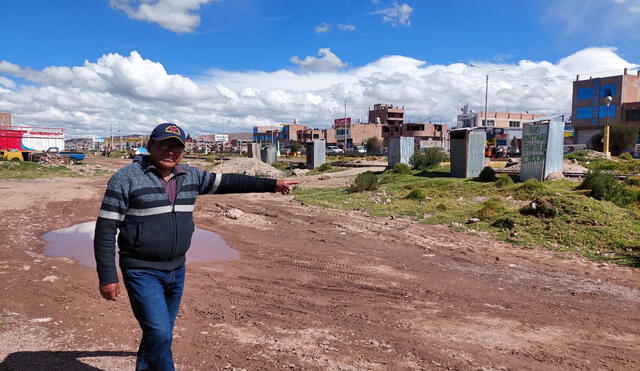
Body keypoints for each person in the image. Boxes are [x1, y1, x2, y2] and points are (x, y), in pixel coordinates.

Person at [94, 123, 298, 371]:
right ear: (150, 147)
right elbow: (105, 229)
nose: (170, 151)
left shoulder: (191, 176)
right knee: (159, 333)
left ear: (183, 150)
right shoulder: (125, 179)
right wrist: (107, 276)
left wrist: (272, 184)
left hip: (176, 270)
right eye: (164, 145)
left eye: (176, 147)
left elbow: (230, 182)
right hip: (141, 271)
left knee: (160, 335)